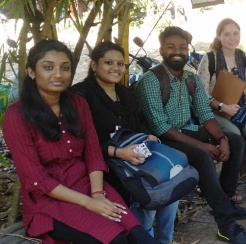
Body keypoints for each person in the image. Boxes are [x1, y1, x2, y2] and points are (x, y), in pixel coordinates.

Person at [2, 39, 156, 244]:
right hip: (49, 200)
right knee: (116, 239)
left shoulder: (77, 103)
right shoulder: (17, 116)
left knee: (140, 236)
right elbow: (36, 179)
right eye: (48, 67)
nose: (58, 74)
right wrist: (88, 203)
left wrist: (98, 194)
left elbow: (93, 154)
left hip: (89, 186)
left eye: (65, 68)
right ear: (31, 71)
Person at [134, 26, 246, 244]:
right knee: (201, 157)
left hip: (183, 131)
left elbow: (204, 111)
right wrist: (203, 146)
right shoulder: (151, 81)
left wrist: (221, 139)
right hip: (158, 140)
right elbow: (161, 128)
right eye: (171, 47)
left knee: (236, 140)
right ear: (161, 50)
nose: (177, 51)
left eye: (182, 47)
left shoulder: (190, 76)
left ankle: (225, 200)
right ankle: (226, 224)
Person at [71, 41, 179, 244]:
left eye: (120, 64)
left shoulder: (126, 94)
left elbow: (134, 128)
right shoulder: (81, 96)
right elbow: (81, 144)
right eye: (108, 62)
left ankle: (165, 239)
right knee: (148, 189)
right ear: (94, 65)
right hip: (100, 165)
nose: (116, 68)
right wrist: (118, 153)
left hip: (129, 156)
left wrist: (145, 137)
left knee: (169, 183)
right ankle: (143, 237)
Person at [197, 18, 246, 203]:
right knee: (234, 134)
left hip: (238, 109)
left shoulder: (244, 57)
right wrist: (222, 106)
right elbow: (200, 93)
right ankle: (230, 185)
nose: (232, 38)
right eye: (227, 34)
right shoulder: (209, 58)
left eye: (235, 33)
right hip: (215, 112)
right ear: (219, 36)